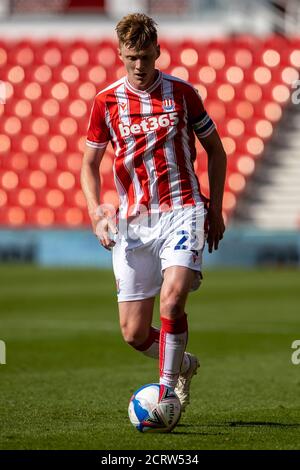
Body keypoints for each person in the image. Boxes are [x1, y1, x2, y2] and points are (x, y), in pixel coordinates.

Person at [81, 13, 226, 412]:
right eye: (131, 58)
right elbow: (88, 165)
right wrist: (96, 212)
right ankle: (183, 365)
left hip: (184, 209)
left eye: (146, 57)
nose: (139, 66)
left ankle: (166, 393)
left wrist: (215, 208)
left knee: (173, 300)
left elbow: (216, 149)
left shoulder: (182, 93)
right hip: (134, 220)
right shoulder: (105, 102)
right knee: (132, 332)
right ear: (120, 55)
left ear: (158, 52)